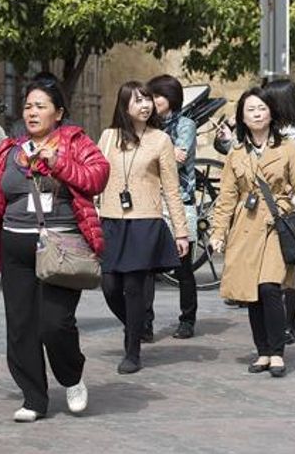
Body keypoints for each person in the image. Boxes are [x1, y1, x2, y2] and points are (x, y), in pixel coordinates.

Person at [0, 76, 110, 422]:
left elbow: (98, 177)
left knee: (55, 324)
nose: (32, 112)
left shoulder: (76, 142)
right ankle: (34, 398)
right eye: (28, 106)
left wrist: (59, 163)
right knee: (21, 325)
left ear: (59, 113)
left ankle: (71, 377)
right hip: (16, 247)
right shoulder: (11, 150)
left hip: (62, 248)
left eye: (41, 106)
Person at [209, 87, 295, 377]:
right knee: (252, 291)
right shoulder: (236, 153)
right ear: (242, 117)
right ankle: (262, 351)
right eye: (250, 110)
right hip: (245, 227)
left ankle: (277, 352)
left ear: (272, 113)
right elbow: (226, 197)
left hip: (278, 222)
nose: (257, 114)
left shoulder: (286, 148)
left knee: (269, 287)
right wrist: (218, 232)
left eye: (261, 108)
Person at [97, 81, 189, 375]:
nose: (146, 105)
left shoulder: (161, 140)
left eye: (147, 99)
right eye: (138, 100)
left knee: (134, 288)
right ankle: (135, 325)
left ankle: (132, 351)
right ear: (124, 106)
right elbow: (95, 178)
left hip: (145, 222)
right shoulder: (108, 137)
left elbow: (172, 189)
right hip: (111, 220)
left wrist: (181, 231)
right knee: (110, 286)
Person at [263, 79, 295, 344]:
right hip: (262, 210)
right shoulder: (264, 132)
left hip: (290, 210)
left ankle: (288, 323)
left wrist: (290, 206)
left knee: (290, 267)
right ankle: (271, 319)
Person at [146, 74, 199, 340]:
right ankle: (144, 323)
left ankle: (187, 319)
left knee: (183, 267)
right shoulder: (146, 126)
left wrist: (153, 156)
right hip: (149, 202)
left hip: (179, 199)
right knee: (146, 268)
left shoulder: (185, 124)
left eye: (159, 96)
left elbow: (176, 162)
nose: (154, 101)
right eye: (151, 96)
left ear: (171, 98)